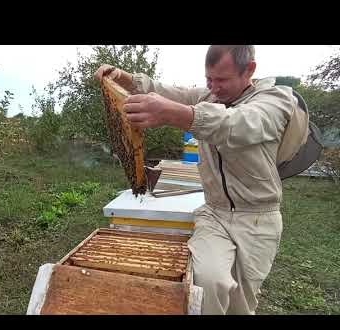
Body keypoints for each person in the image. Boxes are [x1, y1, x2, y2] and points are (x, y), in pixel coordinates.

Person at [94, 45, 302, 315]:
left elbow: (238, 124)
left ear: (249, 70)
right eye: (209, 79)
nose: (213, 88)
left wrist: (177, 114)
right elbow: (169, 92)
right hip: (214, 213)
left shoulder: (275, 100)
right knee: (206, 282)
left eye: (222, 80)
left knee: (241, 304)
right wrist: (127, 79)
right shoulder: (210, 96)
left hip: (257, 218)